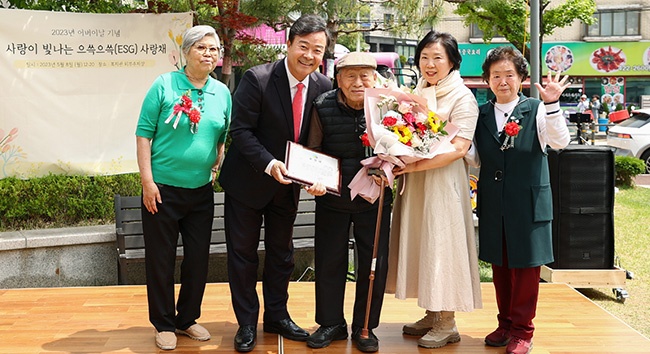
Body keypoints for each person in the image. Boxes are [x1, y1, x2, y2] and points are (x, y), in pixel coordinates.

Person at [217, 14, 332, 353]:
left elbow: (319, 142)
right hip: (248, 182)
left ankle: (278, 316)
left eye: (318, 49)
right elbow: (241, 132)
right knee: (243, 255)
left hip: (289, 187)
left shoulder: (324, 87)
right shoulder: (258, 78)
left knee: (282, 254)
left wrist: (318, 176)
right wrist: (269, 164)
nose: (310, 55)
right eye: (304, 47)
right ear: (289, 44)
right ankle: (247, 323)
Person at [467, 46, 570, 354]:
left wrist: (552, 104)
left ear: (522, 78)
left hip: (528, 202)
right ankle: (505, 324)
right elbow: (474, 157)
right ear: (486, 80)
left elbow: (559, 141)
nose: (502, 81)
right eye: (495, 75)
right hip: (494, 201)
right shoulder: (481, 113)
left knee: (525, 268)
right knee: (500, 265)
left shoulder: (537, 108)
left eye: (509, 75)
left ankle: (523, 330)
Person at [135, 25, 231, 351]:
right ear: (186, 52)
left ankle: (186, 318)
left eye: (214, 49)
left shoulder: (223, 92)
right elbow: (144, 134)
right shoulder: (164, 85)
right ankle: (163, 323)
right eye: (202, 48)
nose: (208, 54)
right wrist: (147, 182)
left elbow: (221, 136)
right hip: (162, 189)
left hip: (201, 191)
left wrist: (215, 164)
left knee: (197, 260)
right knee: (161, 259)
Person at [385, 30, 482, 349]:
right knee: (424, 243)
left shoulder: (462, 97)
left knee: (443, 243)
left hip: (444, 183)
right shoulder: (420, 92)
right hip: (418, 182)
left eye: (437, 57)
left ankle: (447, 321)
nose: (429, 63)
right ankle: (432, 311)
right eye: (424, 57)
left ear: (453, 61)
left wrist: (411, 165)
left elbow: (458, 148)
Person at [304, 52, 392, 353]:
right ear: (338, 79)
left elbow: (404, 146)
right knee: (329, 261)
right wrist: (313, 180)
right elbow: (313, 150)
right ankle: (331, 323)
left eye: (365, 75)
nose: (358, 82)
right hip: (333, 198)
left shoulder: (387, 107)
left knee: (374, 265)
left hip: (374, 198)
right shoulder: (322, 106)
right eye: (350, 76)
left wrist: (393, 170)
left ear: (375, 78)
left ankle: (365, 326)